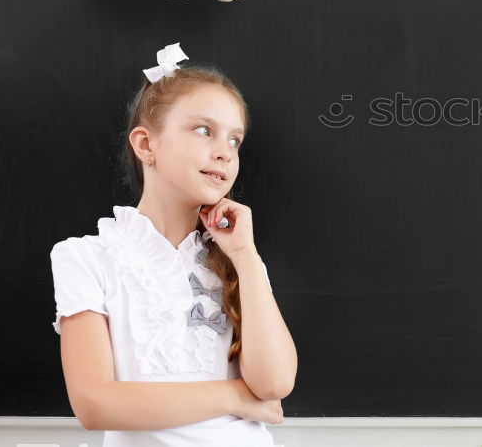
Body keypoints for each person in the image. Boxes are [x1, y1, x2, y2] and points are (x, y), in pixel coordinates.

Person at [49, 42, 296, 446]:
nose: (224, 153)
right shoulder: (86, 257)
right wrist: (235, 395)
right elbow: (95, 404)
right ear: (147, 145)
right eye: (204, 130)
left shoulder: (239, 258)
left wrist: (246, 257)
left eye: (235, 140)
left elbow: (274, 383)